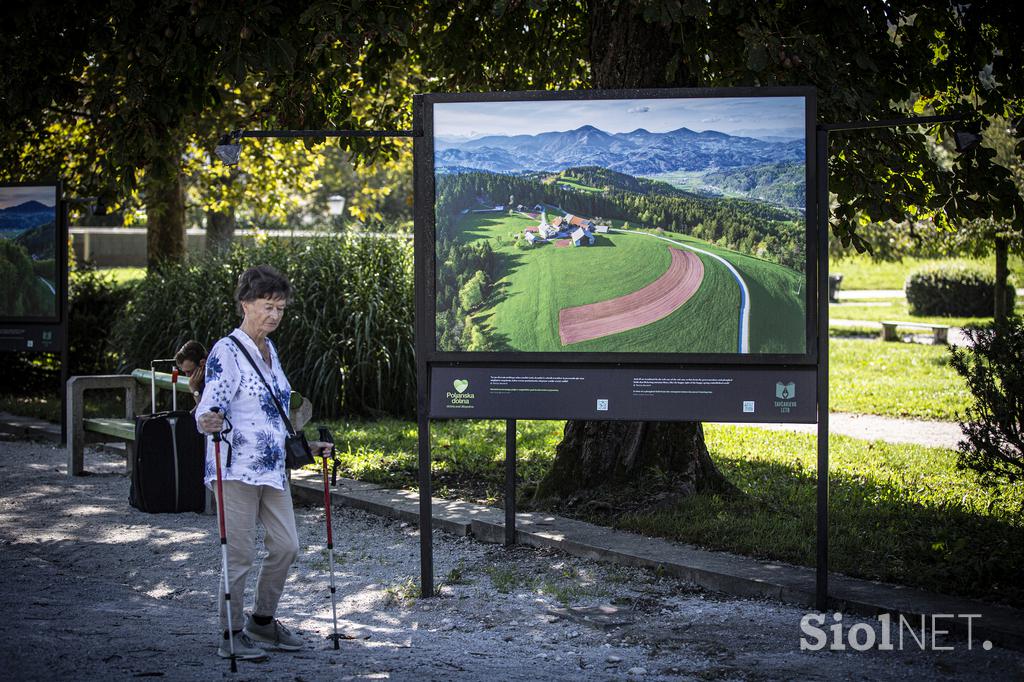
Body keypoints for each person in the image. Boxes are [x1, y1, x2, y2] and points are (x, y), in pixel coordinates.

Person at [195, 265, 330, 661]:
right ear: (245, 304)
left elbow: (277, 413)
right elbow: (208, 405)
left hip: (272, 468)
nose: (274, 315)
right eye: (268, 306)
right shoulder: (227, 350)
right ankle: (231, 632)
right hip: (234, 466)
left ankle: (262, 620)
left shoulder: (271, 351)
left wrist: (309, 444)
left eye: (281, 309)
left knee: (286, 546)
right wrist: (207, 419)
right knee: (239, 554)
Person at [174, 340, 207, 408]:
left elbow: (205, 410)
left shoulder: (214, 380)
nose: (187, 376)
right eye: (184, 372)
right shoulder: (199, 380)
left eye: (189, 371)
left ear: (202, 363)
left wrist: (194, 389)